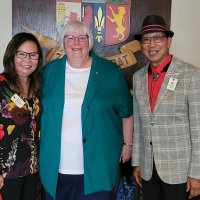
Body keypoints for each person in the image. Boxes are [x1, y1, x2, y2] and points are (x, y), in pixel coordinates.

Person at [40, 20, 133, 200]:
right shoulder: (49, 72)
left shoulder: (110, 72)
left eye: (82, 37)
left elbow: (127, 112)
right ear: (63, 42)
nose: (76, 42)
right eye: (70, 37)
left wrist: (127, 144)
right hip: (55, 166)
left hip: (98, 164)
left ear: (89, 41)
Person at [132, 14, 200, 200]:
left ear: (168, 40)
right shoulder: (138, 78)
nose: (151, 44)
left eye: (157, 38)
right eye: (146, 40)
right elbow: (138, 124)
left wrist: (197, 172)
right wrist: (137, 161)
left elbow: (198, 127)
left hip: (180, 170)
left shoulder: (191, 75)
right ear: (141, 45)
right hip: (148, 168)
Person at [0, 32, 43, 200]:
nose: (27, 60)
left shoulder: (38, 89)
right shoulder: (2, 87)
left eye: (33, 55)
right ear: (12, 56)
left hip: (31, 170)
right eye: (21, 54)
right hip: (6, 173)